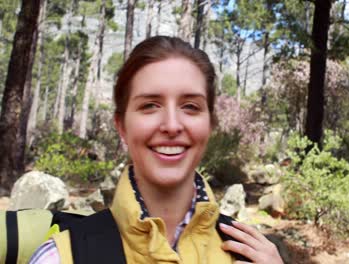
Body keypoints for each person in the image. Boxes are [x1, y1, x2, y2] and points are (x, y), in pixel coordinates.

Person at [29, 36, 283, 263]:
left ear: (210, 124)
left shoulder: (248, 254)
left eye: (191, 106)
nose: (172, 125)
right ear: (122, 126)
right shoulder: (62, 256)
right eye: (150, 105)